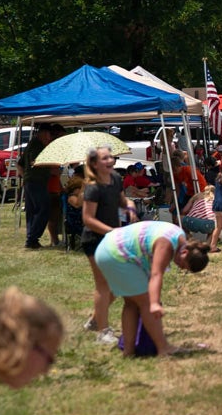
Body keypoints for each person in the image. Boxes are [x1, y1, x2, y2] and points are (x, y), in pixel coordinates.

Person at [94, 220, 210, 357]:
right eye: (183, 265)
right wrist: (154, 303)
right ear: (184, 252)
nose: (180, 267)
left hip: (107, 248)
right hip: (117, 253)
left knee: (131, 303)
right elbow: (156, 274)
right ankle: (163, 348)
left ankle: (129, 351)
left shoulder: (178, 236)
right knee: (146, 303)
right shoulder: (167, 244)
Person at [81, 144, 137, 345]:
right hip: (95, 240)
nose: (110, 160)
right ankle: (102, 332)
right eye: (104, 158)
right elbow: (88, 219)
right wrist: (112, 231)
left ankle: (95, 320)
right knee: (103, 285)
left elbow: (122, 200)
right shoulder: (93, 187)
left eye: (110, 157)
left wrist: (130, 206)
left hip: (112, 238)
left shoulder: (115, 179)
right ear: (95, 164)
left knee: (116, 285)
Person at [19, 123, 56, 250]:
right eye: (48, 134)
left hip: (31, 181)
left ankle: (31, 239)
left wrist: (25, 177)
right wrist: (51, 166)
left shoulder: (32, 144)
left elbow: (20, 164)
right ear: (42, 133)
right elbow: (34, 162)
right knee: (43, 208)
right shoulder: (37, 145)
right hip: (36, 181)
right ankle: (32, 238)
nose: (49, 137)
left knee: (33, 211)